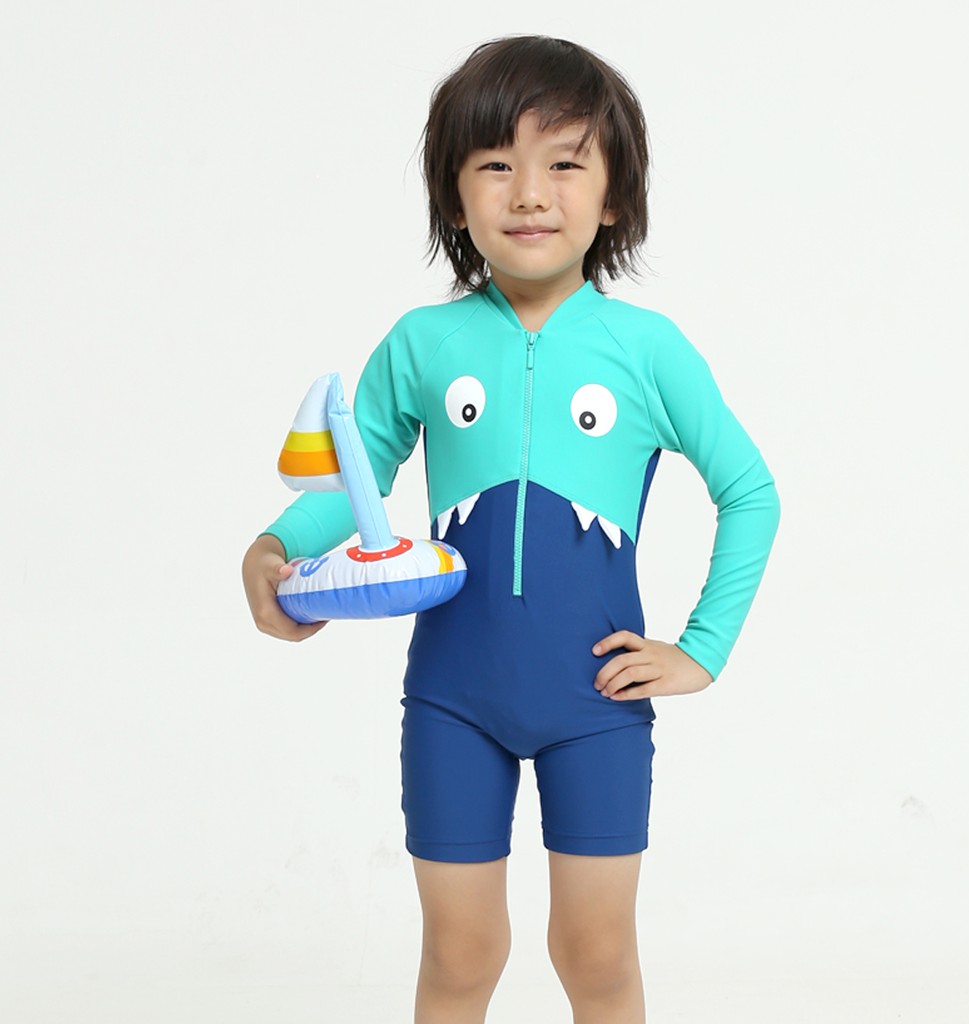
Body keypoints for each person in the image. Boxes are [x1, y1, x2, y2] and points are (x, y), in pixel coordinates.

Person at [242, 34, 781, 1024]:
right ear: (455, 198)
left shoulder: (646, 350)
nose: (529, 193)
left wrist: (701, 649)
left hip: (596, 701)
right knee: (460, 956)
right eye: (496, 164)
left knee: (597, 956)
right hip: (453, 698)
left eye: (564, 164)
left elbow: (749, 491)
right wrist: (277, 548)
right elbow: (357, 476)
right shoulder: (423, 343)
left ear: (614, 197)